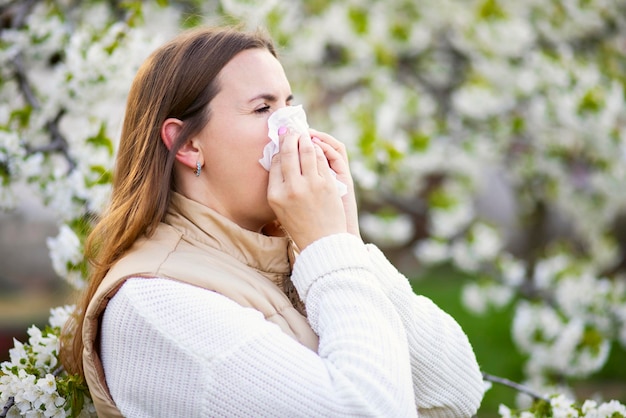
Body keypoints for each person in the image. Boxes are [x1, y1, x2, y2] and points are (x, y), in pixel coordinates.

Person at [61, 26, 484, 417]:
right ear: (187, 144)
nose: (292, 130)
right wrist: (329, 250)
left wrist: (347, 241)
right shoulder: (155, 304)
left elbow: (456, 394)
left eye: (290, 105)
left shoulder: (293, 257)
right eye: (263, 108)